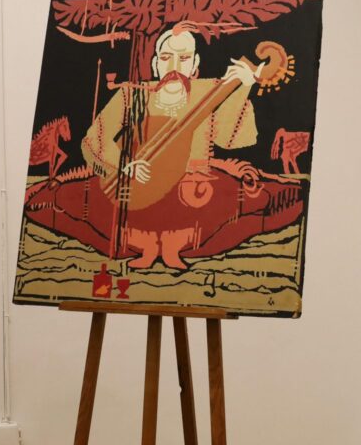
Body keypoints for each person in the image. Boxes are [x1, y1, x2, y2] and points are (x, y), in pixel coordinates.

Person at [81, 23, 259, 269]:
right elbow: (94, 140)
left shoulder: (209, 91)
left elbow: (230, 140)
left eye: (183, 58)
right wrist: (125, 164)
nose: (174, 66)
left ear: (195, 64)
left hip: (192, 187)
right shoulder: (132, 95)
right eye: (166, 58)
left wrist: (244, 87)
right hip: (141, 186)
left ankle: (174, 249)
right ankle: (147, 248)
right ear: (156, 64)